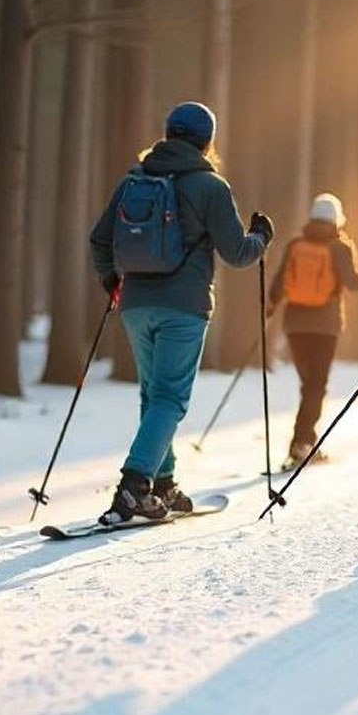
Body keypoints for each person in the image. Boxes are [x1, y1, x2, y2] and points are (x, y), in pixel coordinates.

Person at [88, 101, 273, 526]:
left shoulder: (134, 179)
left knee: (154, 396)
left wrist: (111, 282)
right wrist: (262, 235)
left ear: (169, 133)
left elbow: (100, 240)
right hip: (184, 306)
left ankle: (163, 484)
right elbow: (238, 253)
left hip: (134, 303)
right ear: (208, 140)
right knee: (170, 398)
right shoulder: (211, 186)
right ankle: (134, 485)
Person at [268, 192, 358, 471]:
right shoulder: (340, 247)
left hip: (295, 323)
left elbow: (280, 280)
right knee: (316, 384)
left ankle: (305, 439)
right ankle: (302, 443)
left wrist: (271, 304)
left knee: (308, 383)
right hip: (326, 326)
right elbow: (354, 283)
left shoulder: (296, 244)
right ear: (337, 218)